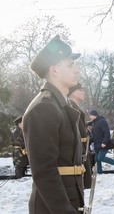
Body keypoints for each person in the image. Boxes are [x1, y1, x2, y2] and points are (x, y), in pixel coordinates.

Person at [22, 35, 84, 213]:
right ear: (54, 70)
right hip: (53, 206)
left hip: (67, 198)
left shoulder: (60, 105)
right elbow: (44, 171)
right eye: (70, 65)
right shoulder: (44, 108)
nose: (76, 70)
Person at [68, 83, 92, 189]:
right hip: (77, 153)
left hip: (81, 151)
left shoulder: (75, 109)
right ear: (72, 93)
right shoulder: (70, 109)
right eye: (80, 90)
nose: (83, 93)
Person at [89, 109, 114, 174]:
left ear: (94, 115)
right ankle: (99, 172)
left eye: (90, 115)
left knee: (100, 158)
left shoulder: (102, 121)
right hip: (97, 145)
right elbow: (94, 135)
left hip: (103, 144)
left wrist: (104, 142)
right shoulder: (94, 123)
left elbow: (107, 133)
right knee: (96, 159)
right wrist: (89, 141)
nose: (90, 117)